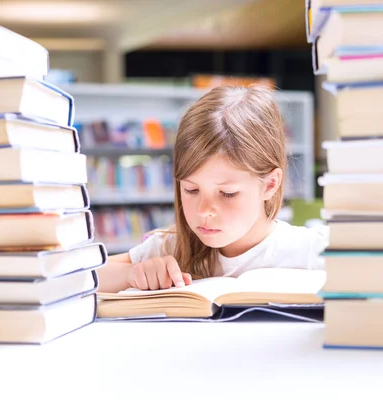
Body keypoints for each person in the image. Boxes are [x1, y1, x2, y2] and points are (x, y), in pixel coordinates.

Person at [98, 85, 328, 293]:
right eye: (191, 190)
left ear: (270, 184)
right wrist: (131, 274)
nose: (203, 211)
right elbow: (77, 277)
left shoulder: (314, 250)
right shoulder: (170, 247)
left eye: (227, 193)